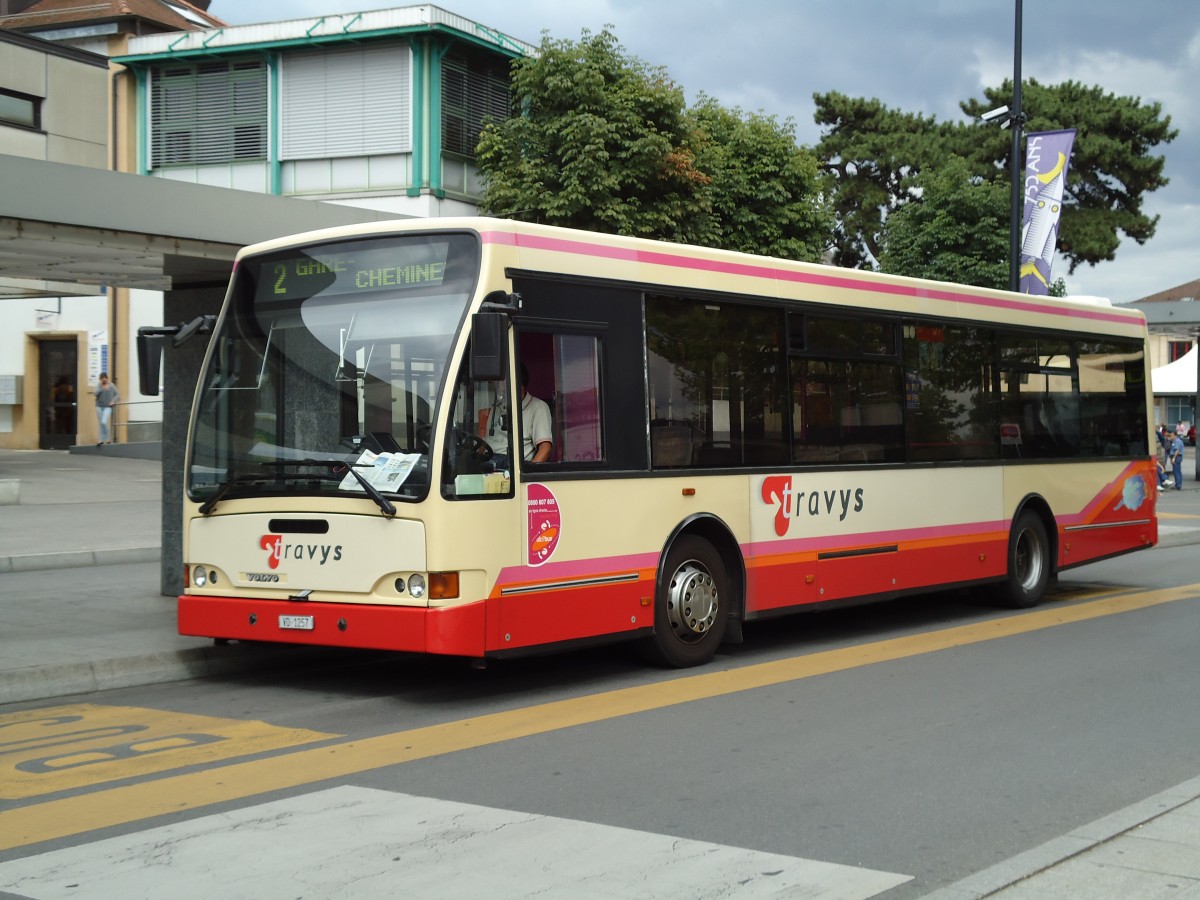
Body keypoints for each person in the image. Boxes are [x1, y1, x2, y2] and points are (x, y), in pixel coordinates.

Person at [484, 364, 553, 468]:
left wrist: (527, 475)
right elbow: (487, 441)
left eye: (501, 383)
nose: (498, 386)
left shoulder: (538, 407)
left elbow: (545, 449)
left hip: (511, 467)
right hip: (488, 463)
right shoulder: (497, 407)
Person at [94, 372, 119, 445]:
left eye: (105, 378)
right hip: (99, 406)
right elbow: (95, 394)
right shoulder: (99, 386)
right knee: (101, 424)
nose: (104, 380)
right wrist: (102, 388)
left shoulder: (111, 385)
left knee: (104, 422)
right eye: (102, 379)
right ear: (100, 379)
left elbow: (117, 394)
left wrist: (113, 401)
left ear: (107, 378)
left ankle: (107, 438)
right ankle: (101, 440)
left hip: (108, 407)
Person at [1169, 427, 1185, 491]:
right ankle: (1177, 484)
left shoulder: (1177, 441)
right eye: (1170, 435)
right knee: (1176, 471)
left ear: (1175, 435)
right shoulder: (1174, 441)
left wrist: (1173, 458)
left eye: (1172, 435)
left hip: (1177, 457)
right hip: (1176, 457)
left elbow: (1177, 450)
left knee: (1177, 471)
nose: (1171, 437)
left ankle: (1178, 485)